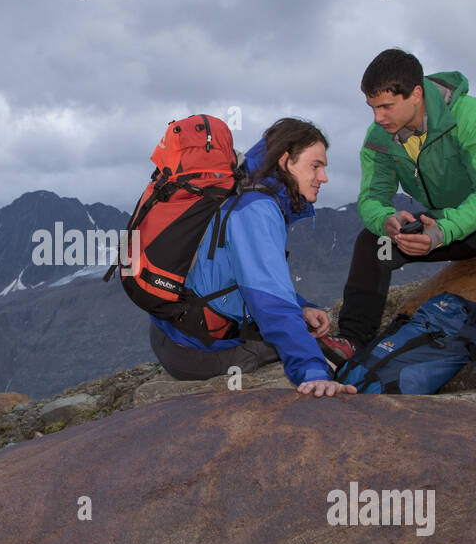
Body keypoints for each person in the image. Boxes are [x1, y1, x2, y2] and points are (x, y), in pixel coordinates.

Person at [317, 49, 476, 388]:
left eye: (386, 106)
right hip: (447, 222)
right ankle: (353, 339)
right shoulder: (379, 138)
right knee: (372, 241)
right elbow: (370, 199)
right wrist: (386, 220)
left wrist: (444, 231)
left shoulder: (468, 114)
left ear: (417, 94)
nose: (378, 117)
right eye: (373, 108)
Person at [148, 118, 357, 398]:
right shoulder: (256, 209)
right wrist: (313, 372)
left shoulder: (243, 191)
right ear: (285, 161)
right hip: (193, 352)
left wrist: (301, 306)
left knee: (298, 328)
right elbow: (269, 302)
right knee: (311, 348)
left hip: (173, 334)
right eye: (316, 166)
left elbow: (244, 278)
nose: (324, 177)